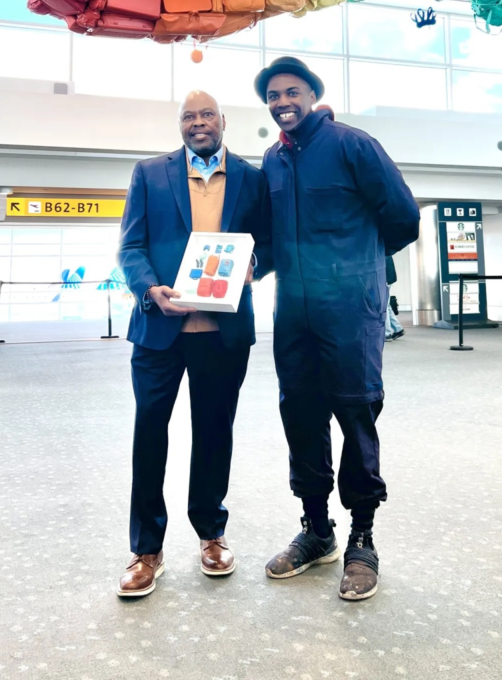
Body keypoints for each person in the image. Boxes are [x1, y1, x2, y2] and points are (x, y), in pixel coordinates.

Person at [254, 56, 420, 602]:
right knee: (299, 415)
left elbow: (403, 217)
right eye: (274, 95)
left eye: (292, 91)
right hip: (293, 314)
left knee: (355, 414)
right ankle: (317, 530)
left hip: (350, 311)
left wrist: (359, 267)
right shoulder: (273, 161)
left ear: (312, 93)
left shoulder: (353, 144)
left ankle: (362, 539)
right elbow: (271, 240)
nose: (283, 102)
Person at [116, 90, 271, 598]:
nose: (198, 122)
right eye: (189, 116)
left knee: (213, 434)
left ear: (223, 121)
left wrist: (257, 265)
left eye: (207, 114)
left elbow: (266, 242)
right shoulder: (150, 173)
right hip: (160, 333)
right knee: (149, 437)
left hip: (223, 334)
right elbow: (132, 245)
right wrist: (148, 289)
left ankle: (211, 534)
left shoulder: (251, 177)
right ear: (180, 125)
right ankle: (146, 549)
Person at [384, 254, 404, 340]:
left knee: (383, 306)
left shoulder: (381, 252)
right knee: (386, 306)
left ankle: (387, 333)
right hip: (389, 279)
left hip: (385, 280)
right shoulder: (386, 250)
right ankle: (398, 329)